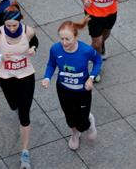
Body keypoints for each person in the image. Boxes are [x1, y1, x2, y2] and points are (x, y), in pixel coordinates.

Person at [0, 4, 38, 169]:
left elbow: (35, 42)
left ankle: (25, 151)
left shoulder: (28, 31)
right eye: (8, 25)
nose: (11, 28)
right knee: (13, 105)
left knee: (24, 114)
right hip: (6, 76)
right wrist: (1, 56)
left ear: (20, 22)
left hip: (26, 75)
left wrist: (33, 49)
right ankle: (18, 107)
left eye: (14, 25)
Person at [42, 18, 101, 151]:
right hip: (63, 90)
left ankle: (89, 123)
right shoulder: (55, 49)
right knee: (69, 116)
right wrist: (47, 77)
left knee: (83, 122)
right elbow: (51, 64)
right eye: (61, 39)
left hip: (82, 91)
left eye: (67, 39)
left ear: (76, 36)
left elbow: (98, 61)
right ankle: (74, 134)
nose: (64, 42)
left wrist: (91, 78)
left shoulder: (85, 50)